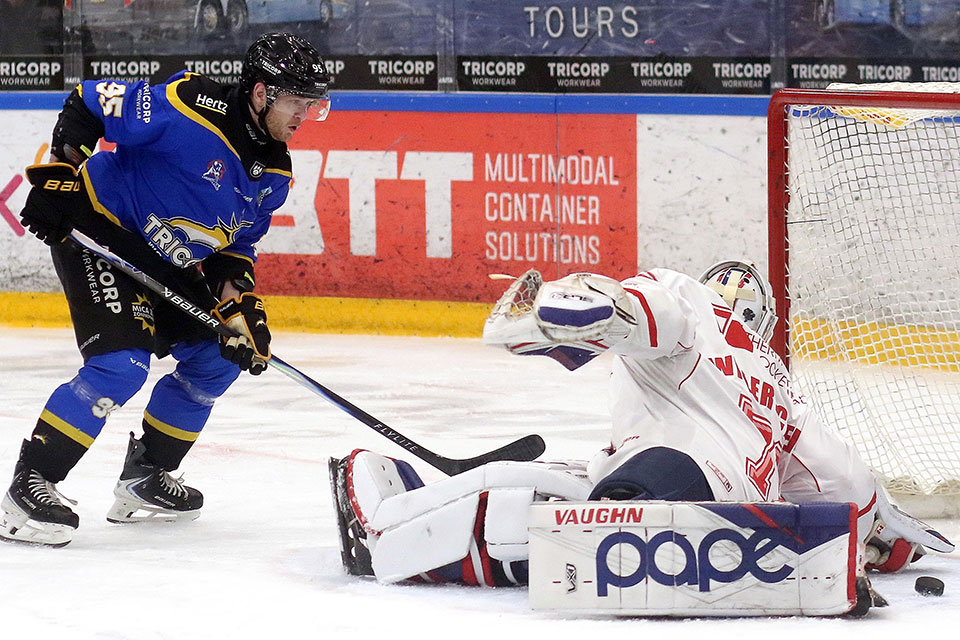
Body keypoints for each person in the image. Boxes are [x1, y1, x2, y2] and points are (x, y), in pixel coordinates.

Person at [329, 261, 953, 589]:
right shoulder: (783, 395)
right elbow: (838, 478)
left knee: (554, 507)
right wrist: (883, 536)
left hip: (672, 482)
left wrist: (552, 311)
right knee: (564, 479)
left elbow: (638, 310)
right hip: (738, 520)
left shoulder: (695, 302)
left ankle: (393, 536)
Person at [0, 33, 331, 547]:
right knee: (120, 366)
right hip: (101, 233)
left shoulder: (276, 173)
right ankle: (31, 483)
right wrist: (62, 174)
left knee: (219, 358)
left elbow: (235, 249)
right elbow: (90, 101)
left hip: (169, 265)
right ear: (262, 92)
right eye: (297, 101)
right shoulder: (190, 105)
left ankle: (145, 475)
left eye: (312, 104)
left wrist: (240, 305)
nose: (304, 115)